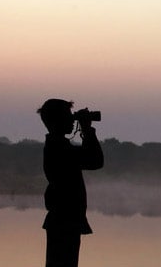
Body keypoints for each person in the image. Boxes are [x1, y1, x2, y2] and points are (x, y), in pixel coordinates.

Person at [37, 98, 104, 267]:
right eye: (68, 115)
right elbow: (95, 161)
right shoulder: (59, 148)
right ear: (57, 120)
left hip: (63, 220)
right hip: (64, 222)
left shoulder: (57, 145)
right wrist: (87, 129)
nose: (72, 119)